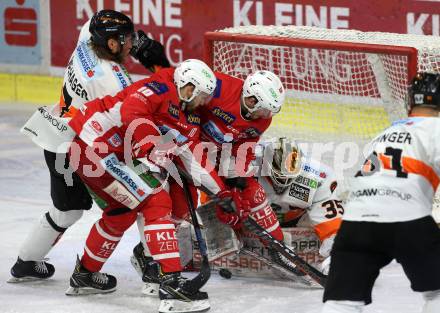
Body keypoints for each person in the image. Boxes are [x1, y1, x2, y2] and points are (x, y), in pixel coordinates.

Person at [65, 59, 240, 312]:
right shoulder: (159, 88)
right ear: (188, 87)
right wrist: (150, 144)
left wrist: (220, 191)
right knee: (156, 199)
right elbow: (132, 109)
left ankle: (85, 275)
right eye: (201, 95)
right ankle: (171, 284)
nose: (204, 102)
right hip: (95, 146)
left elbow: (192, 156)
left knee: (120, 213)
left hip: (107, 154)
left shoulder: (188, 114)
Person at [9, 9, 169, 282]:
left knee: (67, 210)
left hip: (56, 136)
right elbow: (139, 113)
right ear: (111, 44)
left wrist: (129, 40)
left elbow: (95, 23)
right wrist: (160, 66)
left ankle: (26, 262)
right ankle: (152, 262)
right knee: (150, 190)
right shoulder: (110, 79)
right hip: (83, 150)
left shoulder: (86, 38)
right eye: (126, 39)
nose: (131, 44)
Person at [321, 72, 440, 313]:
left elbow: (362, 181)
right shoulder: (436, 128)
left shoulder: (383, 134)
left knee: (341, 302)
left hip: (357, 220)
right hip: (408, 217)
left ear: (411, 102)